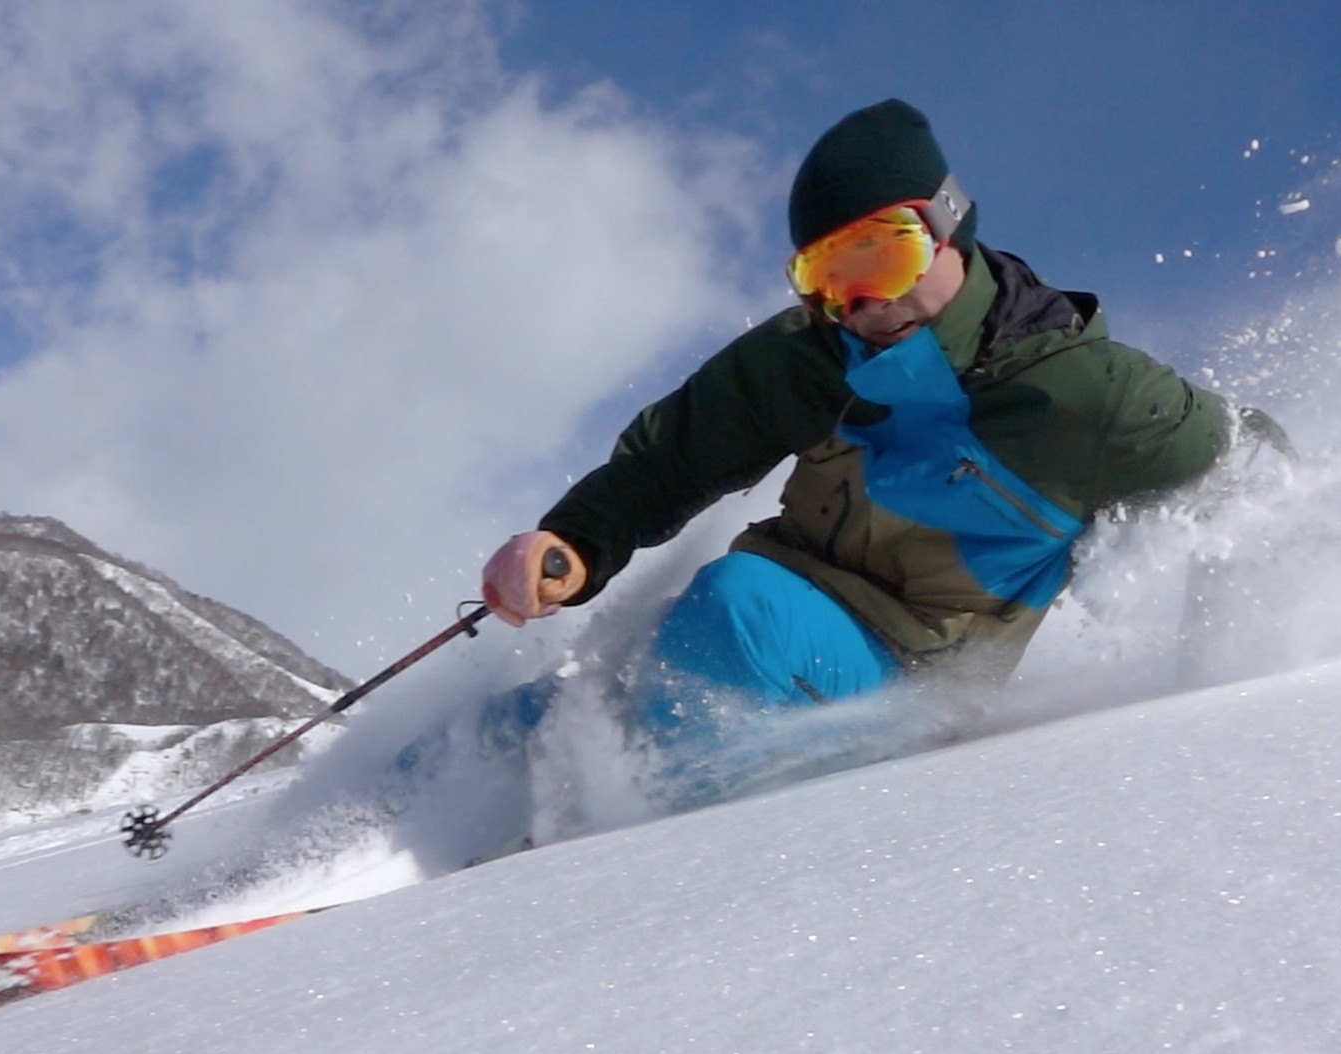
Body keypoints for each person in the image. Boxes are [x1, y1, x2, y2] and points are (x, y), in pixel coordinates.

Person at [481, 99, 1268, 749]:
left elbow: (1254, 471)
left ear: (946, 227)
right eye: (824, 278)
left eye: (878, 258)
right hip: (760, 630)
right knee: (527, 725)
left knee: (736, 614)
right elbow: (669, 462)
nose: (857, 302)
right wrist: (573, 542)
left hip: (906, 690)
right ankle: (387, 845)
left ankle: (588, 866)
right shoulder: (813, 355)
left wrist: (1231, 636)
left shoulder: (1086, 398)